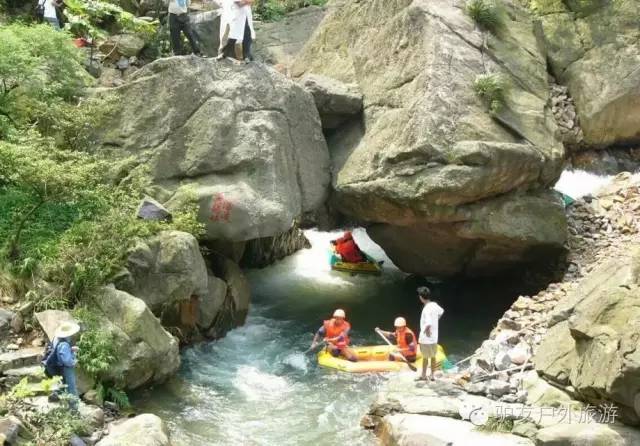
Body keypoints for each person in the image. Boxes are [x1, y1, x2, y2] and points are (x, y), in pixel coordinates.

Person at [43, 322, 80, 409]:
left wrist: (71, 349)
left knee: (62, 384)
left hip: (60, 367)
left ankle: (58, 400)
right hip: (66, 368)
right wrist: (74, 362)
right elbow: (66, 360)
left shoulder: (58, 340)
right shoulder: (64, 344)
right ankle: (74, 408)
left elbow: (60, 352)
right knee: (71, 387)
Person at [416, 286, 444, 382]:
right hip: (434, 337)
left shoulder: (426, 308)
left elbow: (428, 323)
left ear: (421, 297)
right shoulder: (434, 305)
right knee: (433, 357)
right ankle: (432, 376)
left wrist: (426, 331)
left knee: (424, 357)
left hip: (426, 338)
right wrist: (436, 319)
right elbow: (441, 311)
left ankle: (423, 375)